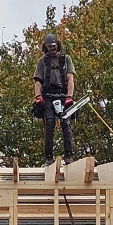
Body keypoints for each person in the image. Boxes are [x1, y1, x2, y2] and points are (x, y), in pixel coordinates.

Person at [33, 33, 76, 166]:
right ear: (45, 47)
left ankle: (69, 156)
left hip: (63, 96)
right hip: (48, 97)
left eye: (53, 46)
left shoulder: (66, 59)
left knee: (65, 123)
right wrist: (38, 97)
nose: (51, 49)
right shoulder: (42, 61)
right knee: (50, 124)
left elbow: (70, 79)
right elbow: (38, 81)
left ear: (57, 45)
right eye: (49, 47)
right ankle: (48, 158)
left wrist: (69, 97)